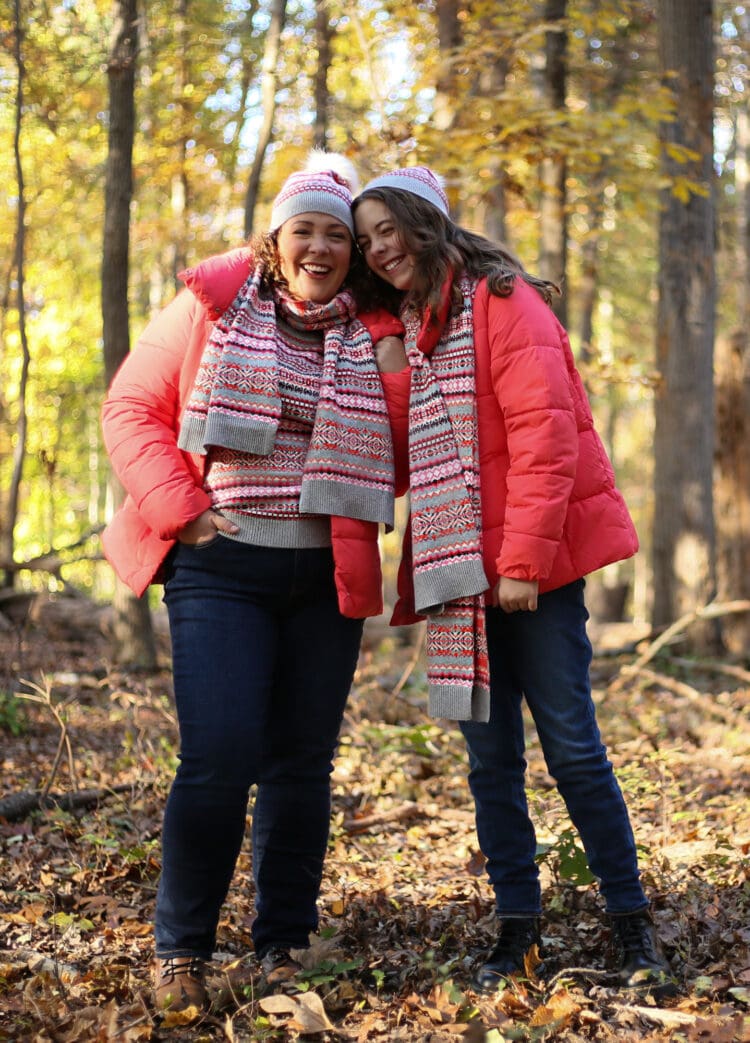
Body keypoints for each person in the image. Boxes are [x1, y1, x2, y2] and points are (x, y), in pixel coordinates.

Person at [352, 167, 677, 996]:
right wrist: (389, 358)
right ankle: (517, 926)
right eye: (366, 239)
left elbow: (547, 436)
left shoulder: (502, 300)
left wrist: (524, 564)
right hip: (459, 580)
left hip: (531, 576)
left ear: (426, 223)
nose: (379, 248)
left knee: (572, 749)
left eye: (389, 229)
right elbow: (401, 452)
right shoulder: (416, 327)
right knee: (489, 763)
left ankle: (631, 918)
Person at [101, 154, 402, 1013]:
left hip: (327, 569)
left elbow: (414, 447)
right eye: (303, 228)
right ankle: (182, 950)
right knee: (220, 756)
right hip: (221, 565)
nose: (319, 246)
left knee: (302, 764)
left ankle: (283, 945)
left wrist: (387, 360)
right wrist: (183, 511)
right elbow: (130, 407)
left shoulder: (376, 329)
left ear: (354, 249)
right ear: (276, 238)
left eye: (336, 234)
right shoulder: (212, 306)